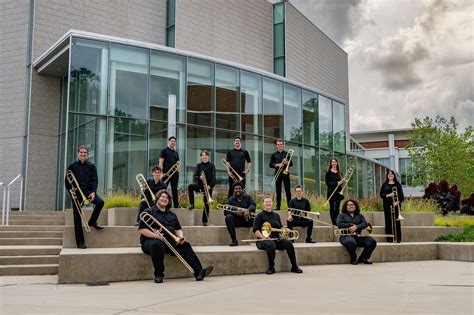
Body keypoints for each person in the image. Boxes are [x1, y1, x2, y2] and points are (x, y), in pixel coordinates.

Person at [139, 189, 214, 283]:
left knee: (185, 245)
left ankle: (199, 272)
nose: (164, 199)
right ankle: (159, 275)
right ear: (157, 198)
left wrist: (180, 237)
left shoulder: (172, 214)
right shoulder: (149, 212)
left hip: (169, 241)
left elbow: (178, 229)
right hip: (150, 241)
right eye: (162, 197)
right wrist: (156, 236)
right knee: (157, 245)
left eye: (166, 198)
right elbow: (142, 230)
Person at [64, 145, 104, 249]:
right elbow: (67, 181)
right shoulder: (72, 166)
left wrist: (93, 192)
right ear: (78, 153)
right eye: (81, 152)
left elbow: (95, 180)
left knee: (100, 202)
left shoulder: (91, 166)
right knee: (77, 217)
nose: (83, 154)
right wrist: (71, 191)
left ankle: (92, 221)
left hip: (88, 192)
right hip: (76, 194)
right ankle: (80, 243)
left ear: (87, 154)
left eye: (85, 153)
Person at [253, 195, 303, 275]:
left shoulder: (276, 215)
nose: (268, 203)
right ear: (263, 204)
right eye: (266, 202)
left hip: (276, 239)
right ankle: (271, 267)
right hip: (262, 240)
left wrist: (285, 229)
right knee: (271, 244)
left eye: (269, 202)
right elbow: (255, 230)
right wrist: (265, 237)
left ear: (272, 203)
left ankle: (294, 266)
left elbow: (280, 227)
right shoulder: (260, 215)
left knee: (289, 243)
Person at [336, 199, 377, 265]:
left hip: (358, 236)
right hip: (346, 236)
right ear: (346, 206)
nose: (351, 206)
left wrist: (357, 227)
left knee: (372, 241)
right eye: (349, 205)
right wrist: (351, 225)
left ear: (355, 206)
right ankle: (354, 259)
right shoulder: (341, 215)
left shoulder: (360, 216)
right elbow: (339, 224)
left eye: (352, 205)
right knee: (351, 242)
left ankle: (363, 258)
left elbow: (365, 224)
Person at [188, 150, 216, 226]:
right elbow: (195, 176)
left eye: (206, 155)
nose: (204, 157)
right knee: (190, 187)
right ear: (201, 157)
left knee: (206, 204)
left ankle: (205, 221)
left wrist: (210, 186)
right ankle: (192, 204)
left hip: (208, 187)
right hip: (200, 185)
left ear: (208, 157)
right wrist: (199, 177)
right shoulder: (198, 166)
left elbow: (214, 179)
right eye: (203, 155)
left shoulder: (212, 166)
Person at [224, 182, 256, 246]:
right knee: (228, 217)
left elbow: (253, 205)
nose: (238, 190)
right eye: (236, 189)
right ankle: (234, 240)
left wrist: (248, 210)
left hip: (247, 219)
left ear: (242, 189)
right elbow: (225, 212)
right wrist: (235, 213)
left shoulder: (248, 197)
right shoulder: (230, 200)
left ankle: (261, 239)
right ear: (234, 190)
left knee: (259, 218)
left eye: (239, 188)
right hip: (237, 221)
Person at [380, 170, 405, 243]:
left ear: (394, 175)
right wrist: (389, 195)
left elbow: (402, 196)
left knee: (397, 221)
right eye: (389, 174)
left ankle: (398, 238)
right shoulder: (384, 184)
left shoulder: (398, 184)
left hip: (396, 204)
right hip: (387, 204)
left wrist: (398, 202)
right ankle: (389, 238)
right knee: (388, 221)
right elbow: (381, 195)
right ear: (387, 176)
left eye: (392, 174)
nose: (390, 175)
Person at [269, 139, 293, 210]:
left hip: (285, 173)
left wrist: (286, 162)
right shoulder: (274, 154)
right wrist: (277, 165)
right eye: (278, 144)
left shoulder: (287, 154)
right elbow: (270, 164)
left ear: (283, 145)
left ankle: (290, 207)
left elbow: (291, 164)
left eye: (281, 144)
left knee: (287, 190)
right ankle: (278, 206)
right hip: (277, 173)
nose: (280, 145)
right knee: (278, 190)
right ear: (276, 146)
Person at [159, 136, 180, 208]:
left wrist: (177, 170)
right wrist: (161, 173)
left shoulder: (176, 153)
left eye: (174, 141)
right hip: (165, 174)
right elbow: (161, 162)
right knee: (163, 189)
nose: (173, 142)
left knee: (175, 190)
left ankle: (176, 205)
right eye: (171, 141)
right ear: (169, 141)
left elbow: (178, 163)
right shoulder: (164, 151)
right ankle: (160, 204)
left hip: (174, 174)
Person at [325, 158, 345, 225]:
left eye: (335, 162)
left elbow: (341, 184)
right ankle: (333, 222)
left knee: (337, 207)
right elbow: (327, 183)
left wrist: (342, 182)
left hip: (338, 192)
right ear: (331, 163)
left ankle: (337, 221)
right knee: (332, 207)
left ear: (337, 163)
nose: (334, 163)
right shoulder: (328, 173)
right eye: (332, 162)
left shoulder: (340, 172)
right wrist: (337, 183)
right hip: (331, 192)